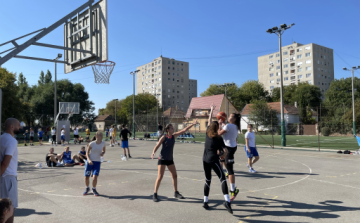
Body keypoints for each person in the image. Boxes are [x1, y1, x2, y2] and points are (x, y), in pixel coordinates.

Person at [151, 118, 198, 202]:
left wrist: (193, 124)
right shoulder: (163, 137)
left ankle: (176, 192)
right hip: (162, 159)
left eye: (173, 128)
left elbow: (184, 130)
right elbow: (157, 145)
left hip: (170, 159)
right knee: (160, 176)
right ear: (168, 130)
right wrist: (153, 152)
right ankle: (155, 194)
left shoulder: (174, 136)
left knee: (175, 176)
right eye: (172, 128)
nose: (173, 129)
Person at [202, 105, 232, 214]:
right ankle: (227, 201)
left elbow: (209, 120)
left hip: (204, 160)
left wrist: (211, 110)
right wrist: (222, 155)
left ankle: (205, 202)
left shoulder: (207, 133)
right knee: (223, 179)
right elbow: (226, 151)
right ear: (217, 128)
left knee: (208, 180)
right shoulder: (219, 138)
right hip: (213, 160)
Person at [1, 118, 21, 223]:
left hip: (3, 178)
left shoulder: (1, 138)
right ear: (12, 127)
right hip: (8, 178)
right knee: (8, 211)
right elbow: (5, 162)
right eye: (18, 125)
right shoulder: (12, 141)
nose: (20, 127)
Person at [218, 113, 241, 202]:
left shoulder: (228, 126)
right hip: (232, 147)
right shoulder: (235, 126)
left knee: (231, 170)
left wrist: (220, 124)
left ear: (234, 119)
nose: (228, 117)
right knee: (222, 158)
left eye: (231, 116)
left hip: (229, 149)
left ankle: (233, 190)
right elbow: (228, 128)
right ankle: (227, 172)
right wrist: (223, 124)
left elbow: (219, 133)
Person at [83, 131, 106, 196]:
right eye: (99, 135)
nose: (101, 137)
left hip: (97, 162)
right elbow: (87, 153)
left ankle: (94, 189)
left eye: (101, 135)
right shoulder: (92, 144)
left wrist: (102, 153)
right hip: (90, 162)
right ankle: (87, 188)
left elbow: (104, 150)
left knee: (95, 177)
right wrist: (89, 160)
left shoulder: (103, 143)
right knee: (86, 177)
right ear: (96, 136)